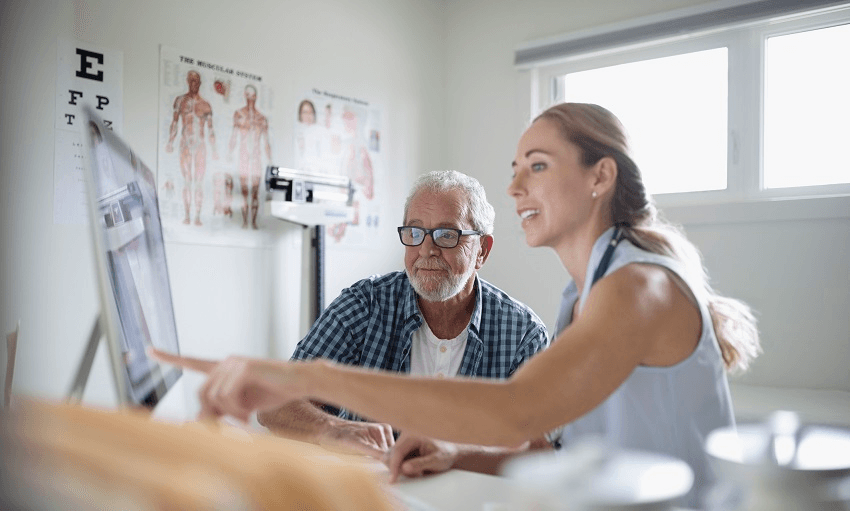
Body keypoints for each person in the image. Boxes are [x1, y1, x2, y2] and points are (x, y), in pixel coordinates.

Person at [153, 103, 760, 508]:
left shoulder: (635, 287)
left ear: (600, 177)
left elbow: (519, 412)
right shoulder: (588, 293)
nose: (517, 186)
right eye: (515, 170)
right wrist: (451, 451)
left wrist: (310, 377)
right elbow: (556, 446)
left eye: (538, 166)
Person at [254, 170, 549, 458]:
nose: (426, 249)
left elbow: (539, 446)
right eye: (415, 232)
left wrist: (456, 454)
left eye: (447, 235)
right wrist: (332, 429)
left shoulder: (522, 333)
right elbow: (274, 402)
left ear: (482, 250)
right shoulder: (364, 305)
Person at [165, 70, 218, 226]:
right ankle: (187, 215)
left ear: (200, 83)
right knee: (187, 180)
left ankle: (198, 216)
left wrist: (214, 150)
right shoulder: (180, 101)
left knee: (199, 182)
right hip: (185, 144)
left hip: (200, 145)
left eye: (196, 81)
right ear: (188, 82)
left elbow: (211, 128)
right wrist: (170, 142)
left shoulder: (205, 104)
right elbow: (174, 122)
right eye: (191, 80)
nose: (194, 83)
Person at [228, 84, 271, 229]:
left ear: (256, 97)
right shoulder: (239, 115)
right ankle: (245, 221)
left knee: (255, 193)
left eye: (252, 96)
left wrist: (271, 162)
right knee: (244, 193)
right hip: (244, 157)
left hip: (256, 158)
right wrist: (228, 155)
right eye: (247, 95)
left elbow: (266, 142)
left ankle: (253, 222)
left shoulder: (262, 118)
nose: (250, 99)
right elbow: (234, 137)